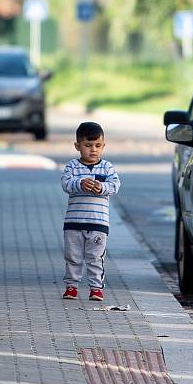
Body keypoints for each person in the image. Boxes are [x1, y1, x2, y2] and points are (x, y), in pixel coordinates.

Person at [60, 122, 121, 301]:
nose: (93, 150)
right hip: (74, 223)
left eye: (97, 146)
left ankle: (96, 289)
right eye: (88, 146)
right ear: (77, 146)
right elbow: (66, 184)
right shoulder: (72, 166)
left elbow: (115, 185)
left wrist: (101, 187)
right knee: (73, 256)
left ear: (103, 146)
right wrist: (80, 184)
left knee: (95, 258)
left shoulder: (107, 167)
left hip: (98, 224)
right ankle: (71, 286)